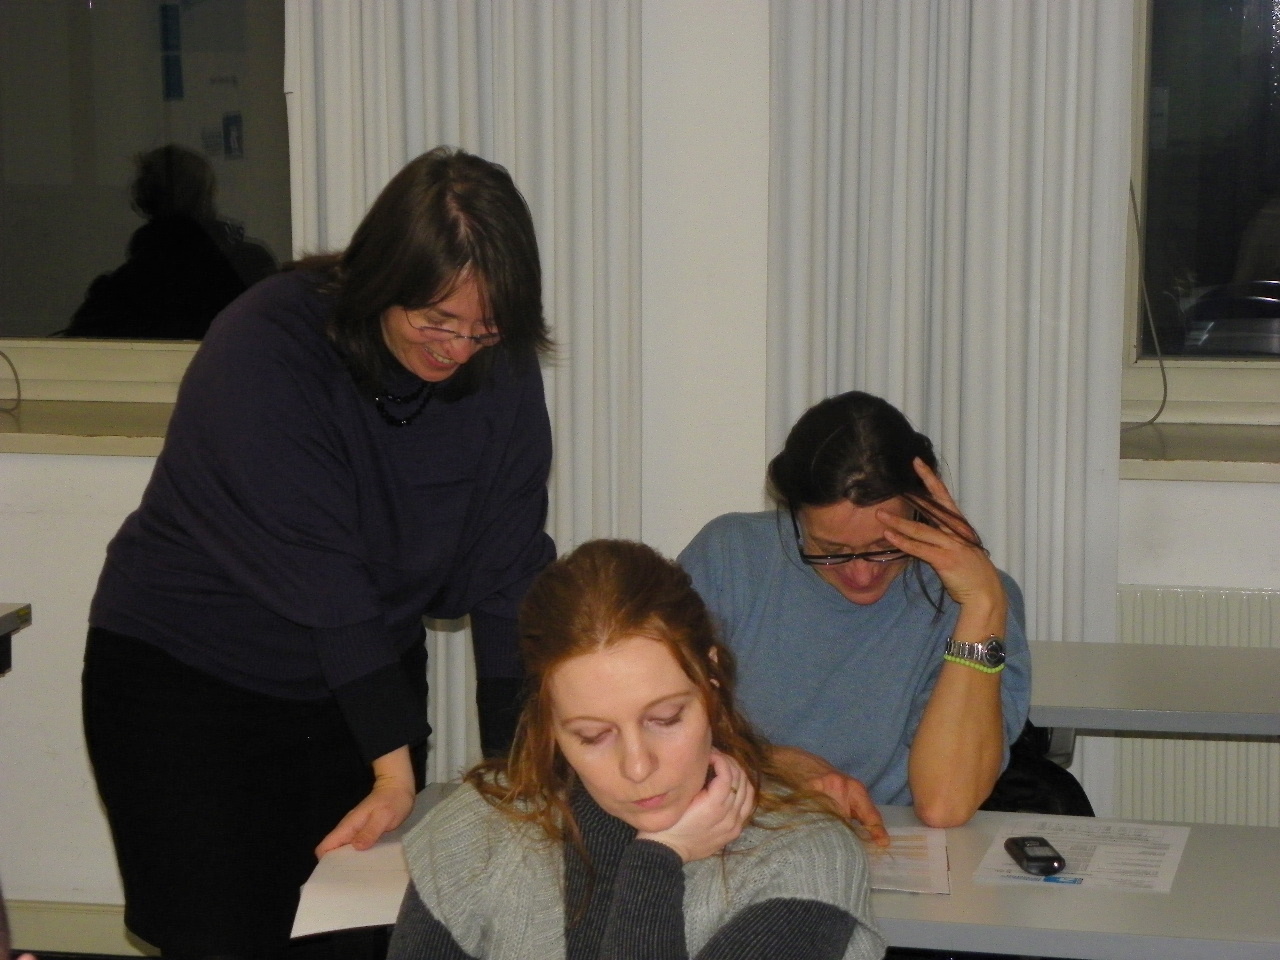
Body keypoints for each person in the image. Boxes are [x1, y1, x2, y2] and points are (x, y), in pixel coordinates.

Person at [81, 147, 556, 960]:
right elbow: (328, 583)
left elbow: (510, 569)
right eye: (437, 321)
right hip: (191, 687)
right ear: (382, 279)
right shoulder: (267, 345)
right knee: (224, 939)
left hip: (356, 684)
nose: (459, 348)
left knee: (359, 935)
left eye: (484, 328)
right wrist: (394, 770)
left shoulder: (496, 361)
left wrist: (521, 778)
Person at [388, 539, 886, 960]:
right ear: (549, 721)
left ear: (711, 678)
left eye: (665, 719)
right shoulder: (478, 827)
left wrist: (655, 863)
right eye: (592, 735)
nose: (638, 766)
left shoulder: (803, 857)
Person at [678, 391, 1031, 831]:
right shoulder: (729, 557)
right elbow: (649, 728)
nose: (862, 575)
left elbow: (945, 804)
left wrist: (982, 606)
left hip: (887, 839)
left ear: (921, 509)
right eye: (831, 551)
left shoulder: (979, 598)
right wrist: (773, 763)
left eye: (885, 548)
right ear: (793, 514)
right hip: (733, 828)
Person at [62, 144, 277, 339]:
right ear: (206, 194)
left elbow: (76, 350)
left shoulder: (124, 289)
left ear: (142, 198)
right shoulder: (248, 265)